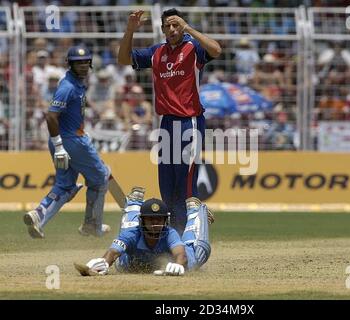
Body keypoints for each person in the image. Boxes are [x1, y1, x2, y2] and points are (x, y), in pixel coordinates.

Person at [118, 8, 221, 235]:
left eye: (176, 25)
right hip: (166, 124)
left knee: (186, 184)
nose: (173, 30)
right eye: (168, 26)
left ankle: (191, 236)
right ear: (163, 29)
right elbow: (123, 58)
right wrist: (130, 31)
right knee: (167, 186)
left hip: (189, 122)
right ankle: (174, 236)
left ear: (182, 26)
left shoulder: (193, 47)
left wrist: (189, 29)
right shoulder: (157, 52)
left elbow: (216, 49)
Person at [23, 46, 111, 239]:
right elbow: (51, 117)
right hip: (71, 142)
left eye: (86, 62)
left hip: (65, 140)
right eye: (78, 62)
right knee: (101, 178)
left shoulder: (77, 83)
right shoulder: (67, 87)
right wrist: (60, 146)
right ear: (70, 64)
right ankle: (91, 225)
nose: (83, 66)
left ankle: (39, 215)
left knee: (65, 185)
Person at [75, 191, 213, 276]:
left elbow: (181, 255)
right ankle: (134, 204)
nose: (154, 224)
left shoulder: (170, 233)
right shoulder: (131, 234)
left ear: (166, 220)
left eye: (159, 219)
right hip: (132, 264)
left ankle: (196, 213)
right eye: (150, 219)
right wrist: (104, 262)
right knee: (123, 262)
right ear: (142, 220)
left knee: (198, 253)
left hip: (182, 258)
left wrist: (178, 265)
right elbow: (113, 252)